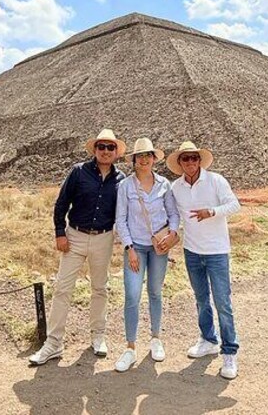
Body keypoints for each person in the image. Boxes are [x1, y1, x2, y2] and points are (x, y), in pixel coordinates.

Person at [28, 129, 127, 366]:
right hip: (75, 236)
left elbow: (124, 213)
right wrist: (60, 233)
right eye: (101, 146)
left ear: (116, 153)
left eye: (110, 147)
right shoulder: (78, 172)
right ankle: (53, 343)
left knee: (100, 288)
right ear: (94, 149)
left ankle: (98, 336)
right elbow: (61, 203)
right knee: (63, 288)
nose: (105, 151)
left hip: (103, 238)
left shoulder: (121, 179)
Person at [168, 141, 241, 380]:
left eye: (194, 158)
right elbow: (174, 216)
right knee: (201, 299)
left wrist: (212, 211)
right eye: (185, 159)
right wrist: (168, 235)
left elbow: (234, 205)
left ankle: (229, 351)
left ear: (199, 160)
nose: (190, 162)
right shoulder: (175, 187)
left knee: (222, 301)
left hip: (217, 251)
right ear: (179, 163)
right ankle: (208, 339)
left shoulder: (216, 180)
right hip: (192, 251)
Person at [113, 138, 180, 373]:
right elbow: (120, 219)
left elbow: (173, 214)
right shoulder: (125, 187)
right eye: (140, 156)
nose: (144, 159)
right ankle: (130, 347)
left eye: (148, 155)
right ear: (133, 160)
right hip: (136, 248)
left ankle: (155, 339)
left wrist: (172, 234)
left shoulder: (165, 185)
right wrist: (129, 247)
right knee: (132, 295)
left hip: (159, 247)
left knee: (155, 292)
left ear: (154, 158)